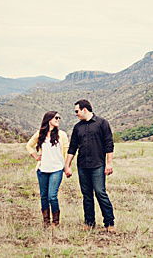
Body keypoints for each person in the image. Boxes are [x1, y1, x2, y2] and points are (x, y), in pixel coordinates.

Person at [64, 99, 116, 232]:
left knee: (100, 192)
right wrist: (67, 165)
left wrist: (109, 163)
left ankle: (109, 223)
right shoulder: (77, 127)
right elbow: (72, 148)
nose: (76, 114)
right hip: (82, 165)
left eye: (77, 111)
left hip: (98, 165)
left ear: (84, 109)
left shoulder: (102, 123)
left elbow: (109, 144)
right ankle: (89, 222)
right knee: (86, 195)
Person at [26, 111, 69, 227]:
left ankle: (56, 222)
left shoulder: (62, 135)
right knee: (43, 196)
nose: (58, 119)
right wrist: (35, 156)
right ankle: (46, 221)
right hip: (42, 169)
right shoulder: (40, 134)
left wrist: (66, 167)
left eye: (59, 118)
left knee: (52, 196)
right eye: (56, 117)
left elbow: (66, 152)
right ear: (49, 119)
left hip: (57, 169)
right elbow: (29, 145)